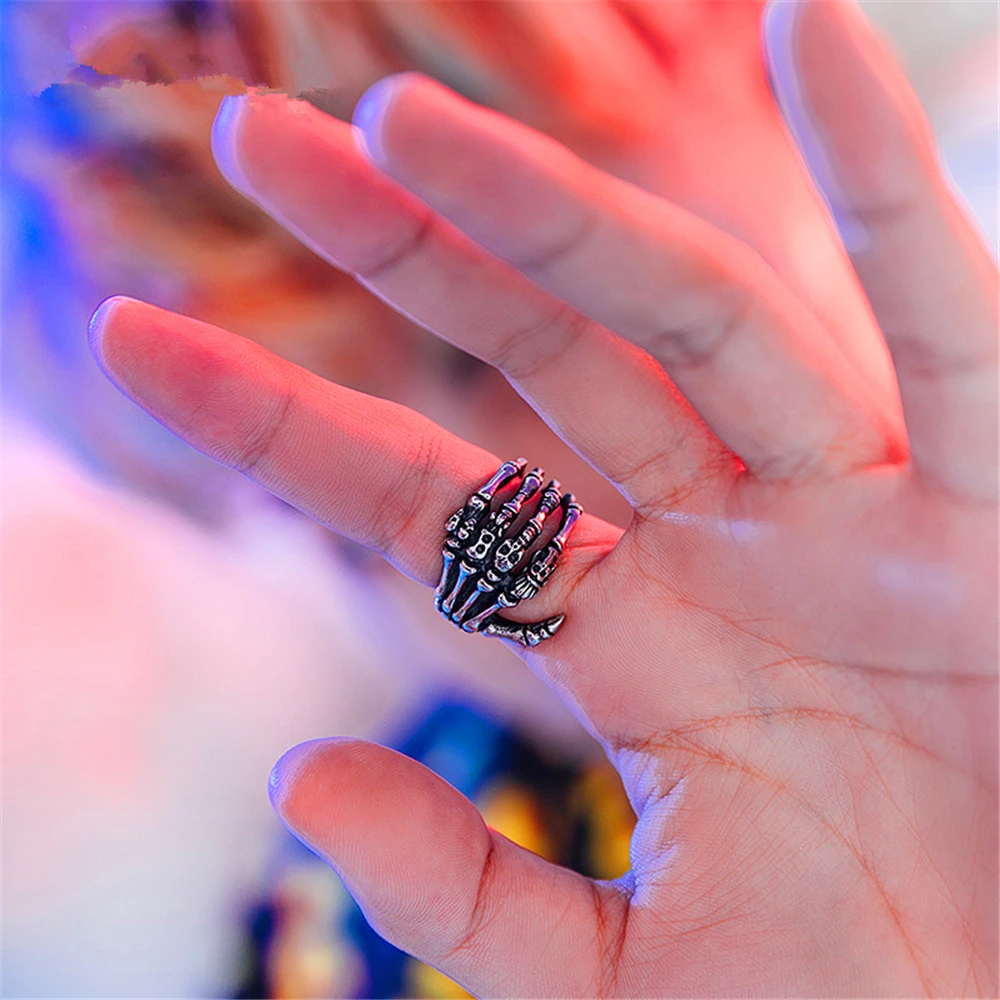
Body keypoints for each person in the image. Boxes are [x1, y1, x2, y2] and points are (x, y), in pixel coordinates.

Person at [86, 0, 997, 995]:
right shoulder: (360, 929)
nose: (438, 510)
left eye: (512, 290)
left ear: (752, 73)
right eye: (328, 527)